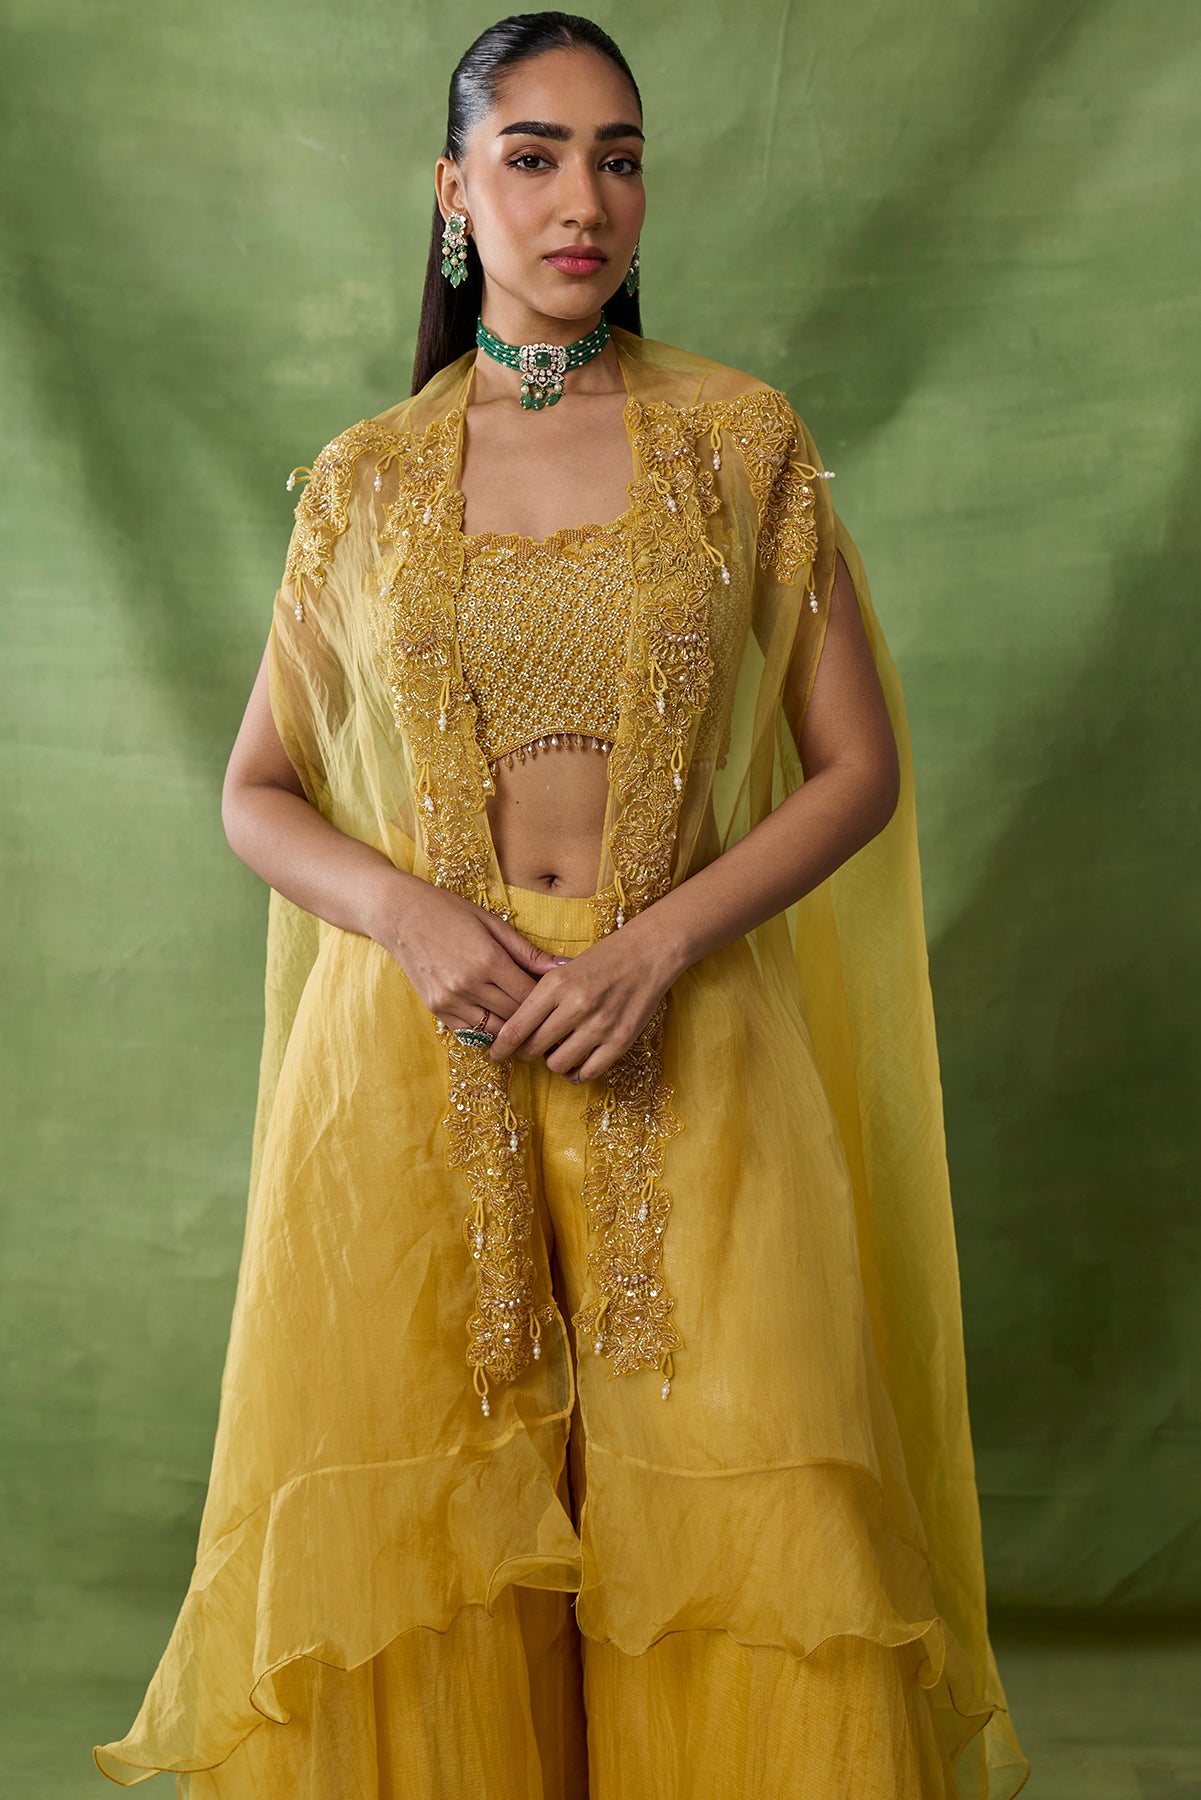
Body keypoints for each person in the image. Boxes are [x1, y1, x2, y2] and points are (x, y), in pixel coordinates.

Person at [94, 12, 1031, 1798]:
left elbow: (854, 769)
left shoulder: (739, 441)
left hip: (686, 1036)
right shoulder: (366, 479)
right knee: (436, 1538)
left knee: (744, 1505)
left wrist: (657, 943)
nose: (580, 199)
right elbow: (255, 791)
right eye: (530, 157)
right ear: (454, 193)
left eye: (618, 158)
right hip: (418, 1059)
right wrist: (412, 919)